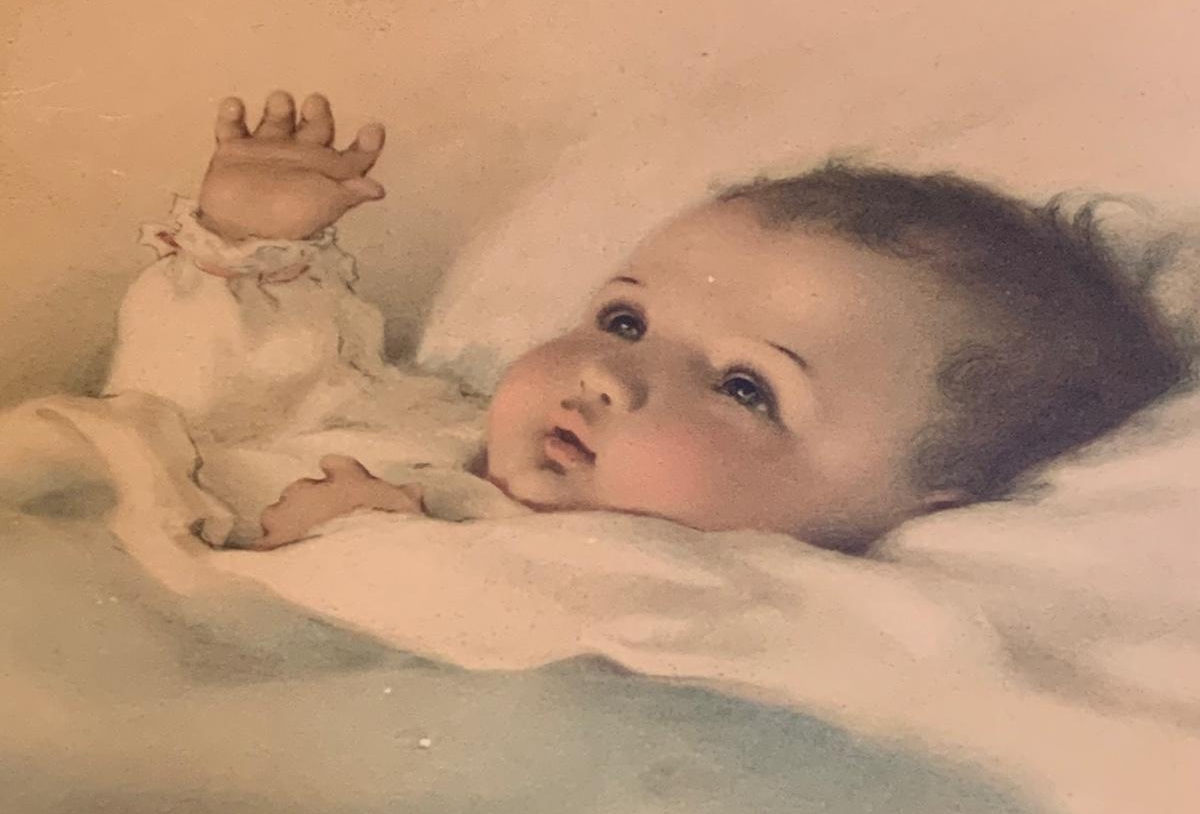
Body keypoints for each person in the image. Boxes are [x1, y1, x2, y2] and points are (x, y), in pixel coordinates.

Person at [105, 90, 1188, 553]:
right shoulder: (439, 430)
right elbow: (214, 410)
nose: (608, 376)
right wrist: (246, 256)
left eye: (745, 386)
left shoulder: (717, 596)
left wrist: (368, 551)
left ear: (905, 511)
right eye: (625, 320)